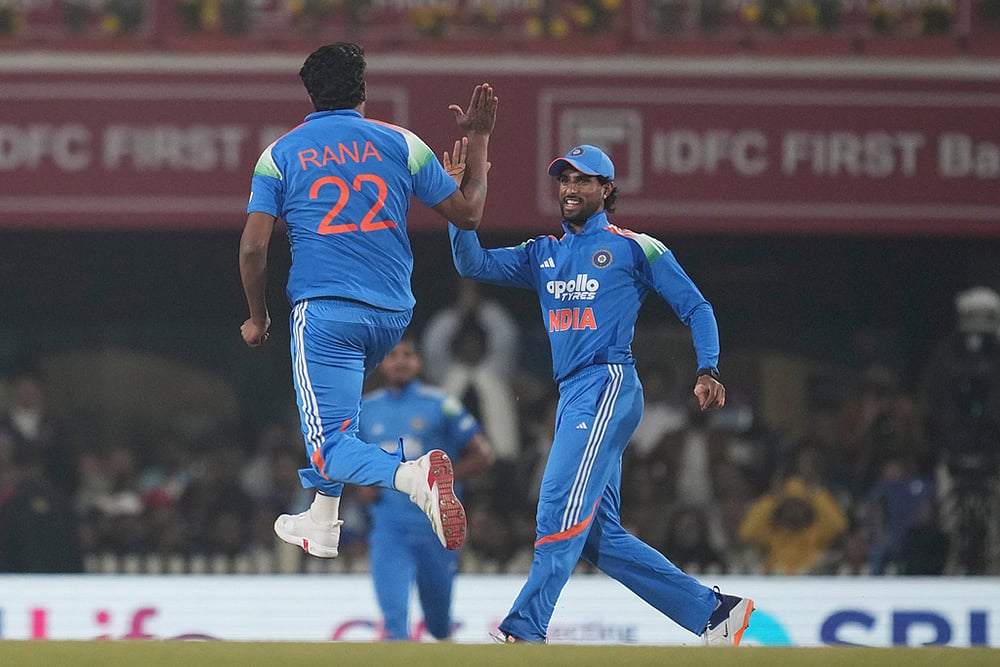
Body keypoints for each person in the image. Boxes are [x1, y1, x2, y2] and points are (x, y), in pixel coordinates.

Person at [445, 142, 754, 645]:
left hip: (606, 384)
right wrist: (458, 203)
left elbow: (697, 307)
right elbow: (470, 263)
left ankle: (525, 627)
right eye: (564, 180)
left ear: (607, 190)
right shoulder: (541, 253)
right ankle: (714, 614)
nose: (570, 188)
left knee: (557, 507)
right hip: (575, 393)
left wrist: (708, 368)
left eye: (583, 180)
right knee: (594, 535)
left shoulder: (636, 247)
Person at [238, 42, 498, 559]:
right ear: (363, 90)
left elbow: (252, 247)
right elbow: (468, 215)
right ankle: (323, 519)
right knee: (342, 425)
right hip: (392, 312)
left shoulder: (280, 154)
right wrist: (480, 142)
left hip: (326, 311)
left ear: (310, 95)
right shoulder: (401, 142)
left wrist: (258, 316)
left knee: (329, 445)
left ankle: (413, 476)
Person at [356, 338, 494, 640]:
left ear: (419, 362)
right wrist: (363, 485)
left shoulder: (441, 403)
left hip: (437, 528)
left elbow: (483, 454)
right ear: (383, 363)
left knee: (438, 624)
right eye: (392, 355)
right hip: (388, 528)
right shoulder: (365, 408)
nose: (400, 361)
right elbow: (352, 459)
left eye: (408, 354)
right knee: (393, 623)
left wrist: (441, 480)